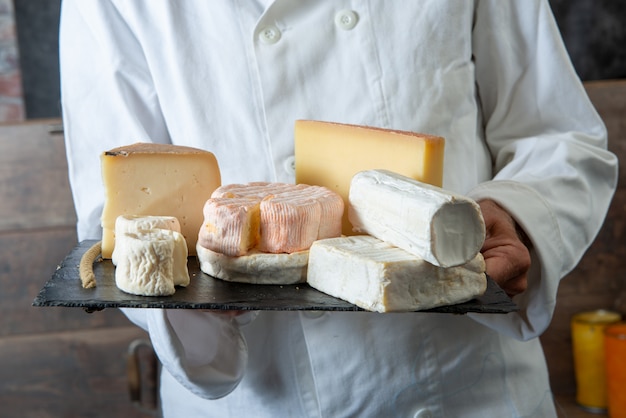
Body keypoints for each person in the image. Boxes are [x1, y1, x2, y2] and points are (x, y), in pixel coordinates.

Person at [59, 1, 618, 417]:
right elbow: (119, 217)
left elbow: (560, 136)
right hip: (258, 399)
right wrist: (200, 297)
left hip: (464, 388)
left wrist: (513, 216)